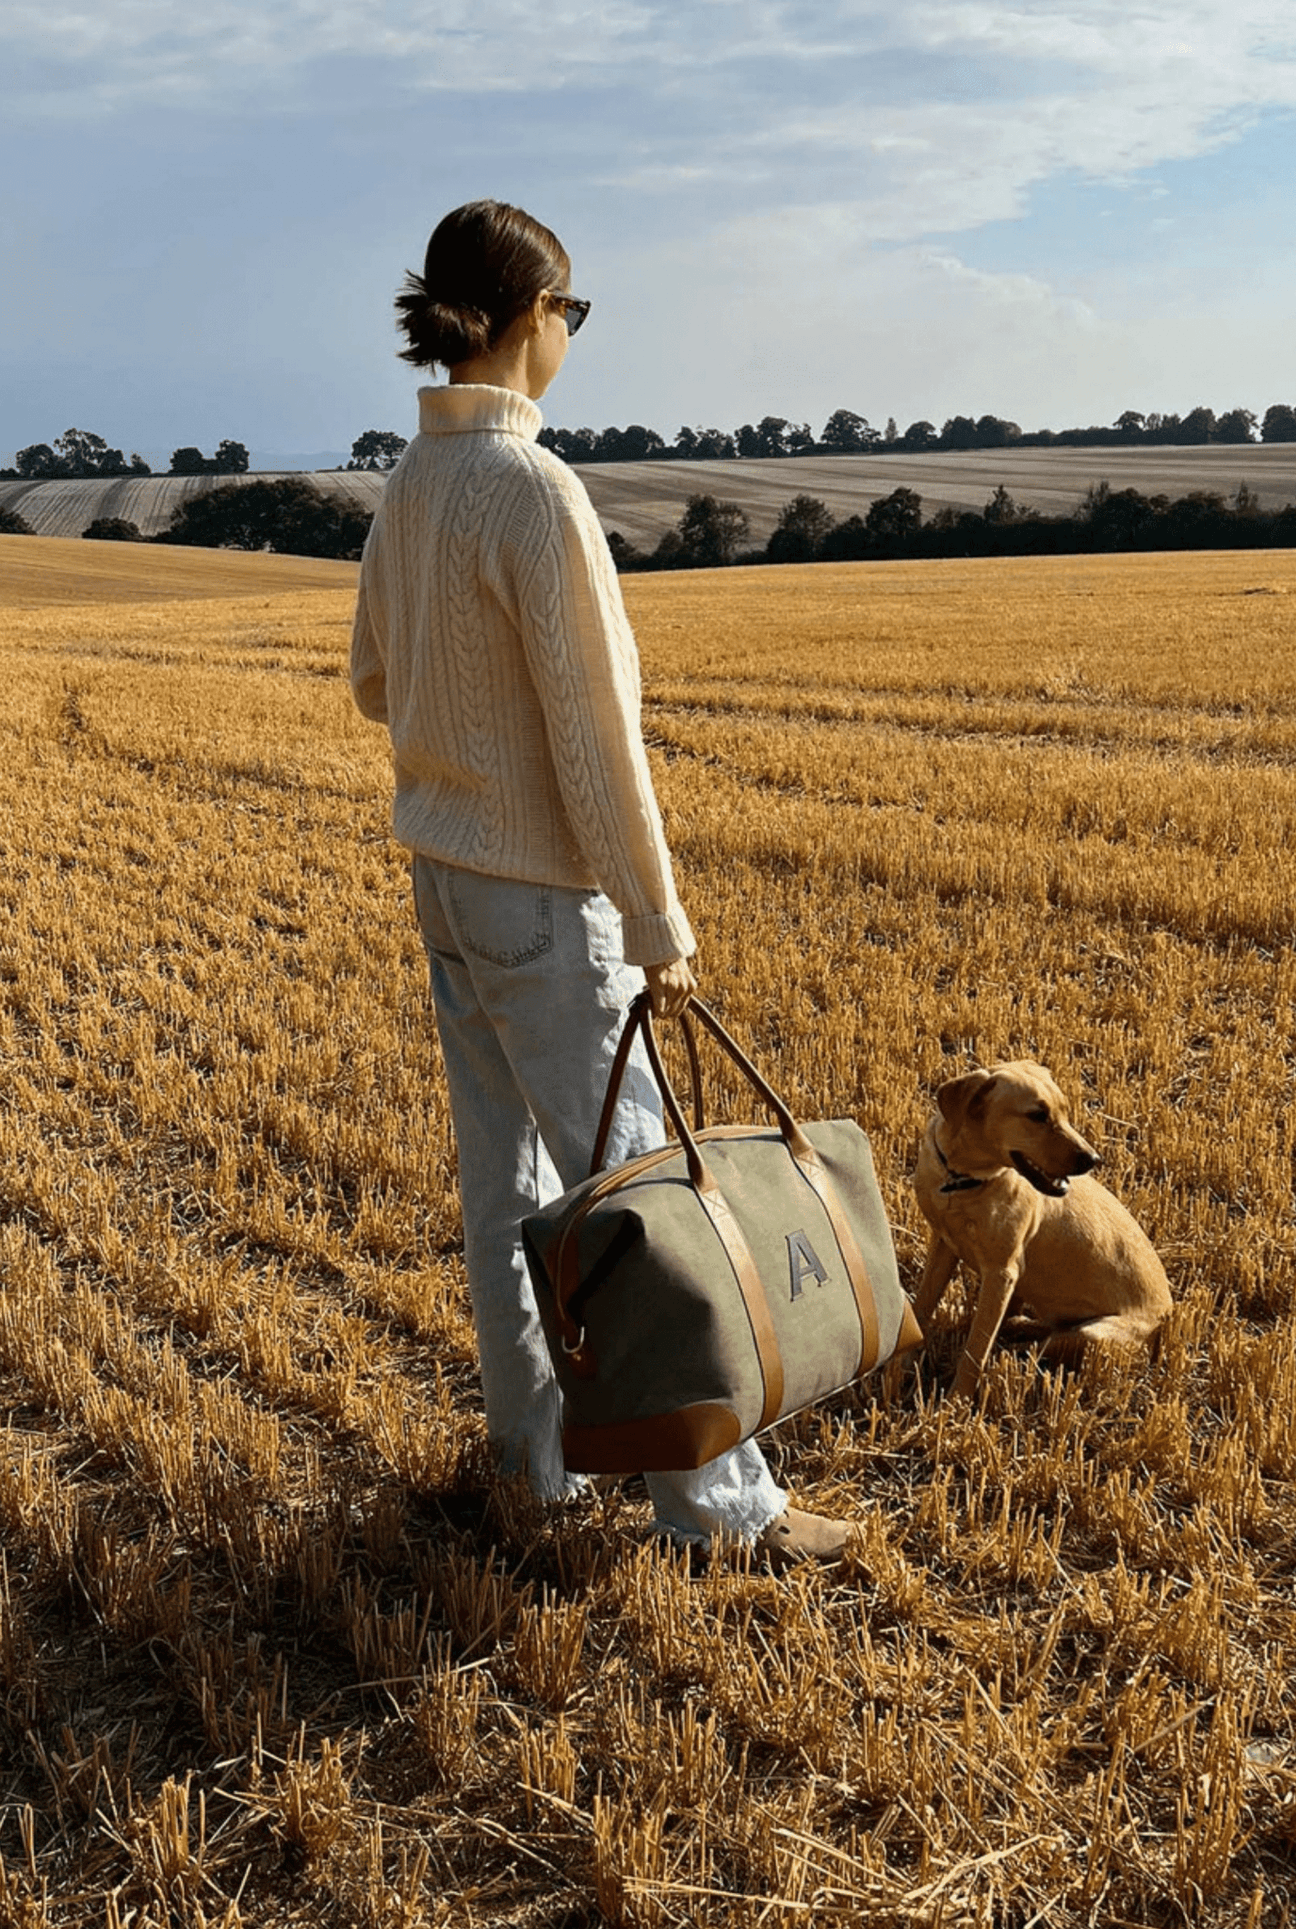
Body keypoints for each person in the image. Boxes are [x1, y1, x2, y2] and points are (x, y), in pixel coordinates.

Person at [349, 200, 851, 1562]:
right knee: (640, 1211)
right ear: (531, 316)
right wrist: (656, 919)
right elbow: (594, 740)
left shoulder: (408, 484)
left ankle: (535, 1463)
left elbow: (371, 681)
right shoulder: (534, 490)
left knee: (504, 1195)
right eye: (572, 313)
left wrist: (449, 748)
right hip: (545, 899)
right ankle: (723, 1511)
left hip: (443, 879)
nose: (572, 336)